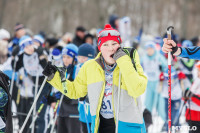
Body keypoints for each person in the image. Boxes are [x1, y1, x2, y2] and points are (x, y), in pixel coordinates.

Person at [43, 24, 147, 133]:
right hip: (101, 125)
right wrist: (54, 77)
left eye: (114, 44)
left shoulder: (129, 61)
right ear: (100, 48)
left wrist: (123, 61)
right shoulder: (90, 66)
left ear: (120, 46)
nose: (110, 48)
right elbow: (75, 91)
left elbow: (137, 89)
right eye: (105, 45)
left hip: (128, 126)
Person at [56, 44, 81, 133]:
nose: (65, 60)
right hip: (62, 110)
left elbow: (78, 91)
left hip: (73, 110)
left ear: (75, 58)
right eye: (64, 57)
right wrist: (53, 96)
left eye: (68, 57)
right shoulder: (62, 70)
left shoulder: (78, 70)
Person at [75, 43, 95, 133]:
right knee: (84, 128)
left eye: (84, 58)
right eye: (79, 57)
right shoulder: (78, 68)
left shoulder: (93, 68)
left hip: (91, 107)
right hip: (82, 107)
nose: (81, 60)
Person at [182, 61, 200, 133]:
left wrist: (191, 96)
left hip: (197, 118)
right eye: (198, 70)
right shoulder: (197, 80)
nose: (197, 72)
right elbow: (189, 96)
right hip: (191, 116)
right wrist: (185, 96)